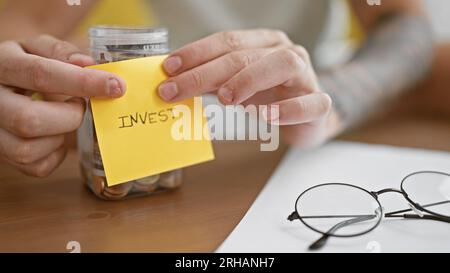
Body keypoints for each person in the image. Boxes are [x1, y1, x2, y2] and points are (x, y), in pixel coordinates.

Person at [0, 0, 434, 177]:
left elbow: (408, 30)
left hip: (280, 157)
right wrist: (19, 79)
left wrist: (329, 100)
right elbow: (22, 27)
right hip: (163, 150)